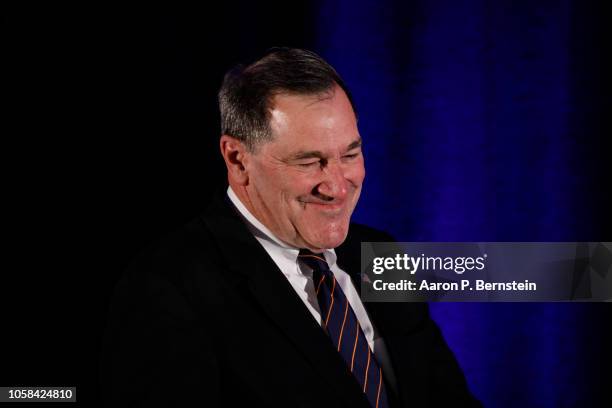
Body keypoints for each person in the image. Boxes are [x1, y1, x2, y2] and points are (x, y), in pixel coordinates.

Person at [101, 47, 480, 407]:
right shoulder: (169, 287)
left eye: (350, 154)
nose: (336, 186)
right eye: (308, 162)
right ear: (237, 160)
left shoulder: (379, 254)